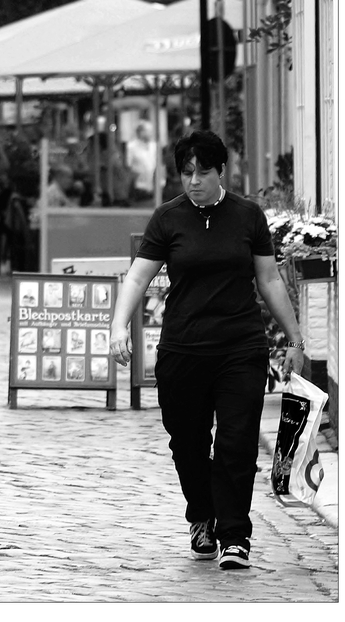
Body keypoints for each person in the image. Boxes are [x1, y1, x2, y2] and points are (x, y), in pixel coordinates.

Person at [108, 130, 304, 571]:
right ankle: (201, 517)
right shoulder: (168, 218)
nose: (193, 180)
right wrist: (119, 324)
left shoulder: (248, 217)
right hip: (183, 349)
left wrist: (294, 338)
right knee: (188, 444)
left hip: (240, 347)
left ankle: (235, 536)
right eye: (186, 172)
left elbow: (269, 280)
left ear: (221, 171)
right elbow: (138, 277)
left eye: (202, 172)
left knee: (236, 443)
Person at [126, 120, 159, 202]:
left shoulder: (154, 146)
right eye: (148, 131)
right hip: (138, 187)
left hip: (154, 188)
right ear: (140, 132)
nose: (151, 133)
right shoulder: (131, 147)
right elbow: (128, 165)